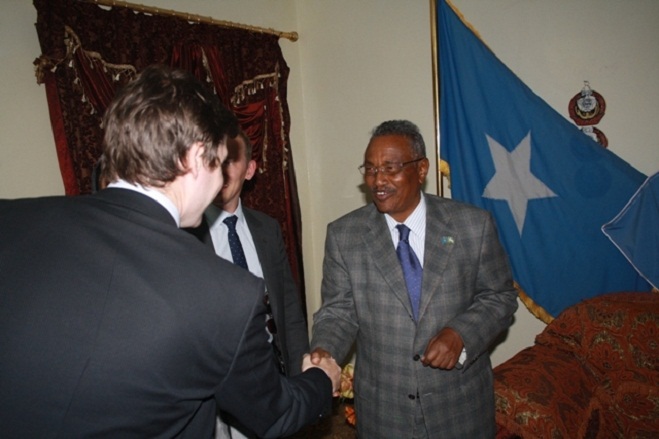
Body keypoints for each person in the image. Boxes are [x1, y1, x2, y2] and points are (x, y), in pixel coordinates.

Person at [0, 65, 340, 439]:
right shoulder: (226, 294)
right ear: (195, 158)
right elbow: (276, 415)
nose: (220, 182)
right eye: (219, 162)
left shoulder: (11, 220)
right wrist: (321, 379)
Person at [310, 120, 518, 438]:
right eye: (370, 169)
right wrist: (325, 352)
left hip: (460, 409)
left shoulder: (472, 226)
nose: (378, 180)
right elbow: (338, 312)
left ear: (421, 170)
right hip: (384, 413)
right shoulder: (344, 235)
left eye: (390, 168)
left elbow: (499, 296)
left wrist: (461, 335)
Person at [187, 131, 310, 438]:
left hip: (274, 377)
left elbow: (289, 309)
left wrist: (300, 376)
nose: (220, 169)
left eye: (230, 160)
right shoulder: (186, 236)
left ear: (250, 169)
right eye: (213, 159)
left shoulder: (267, 228)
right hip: (217, 390)